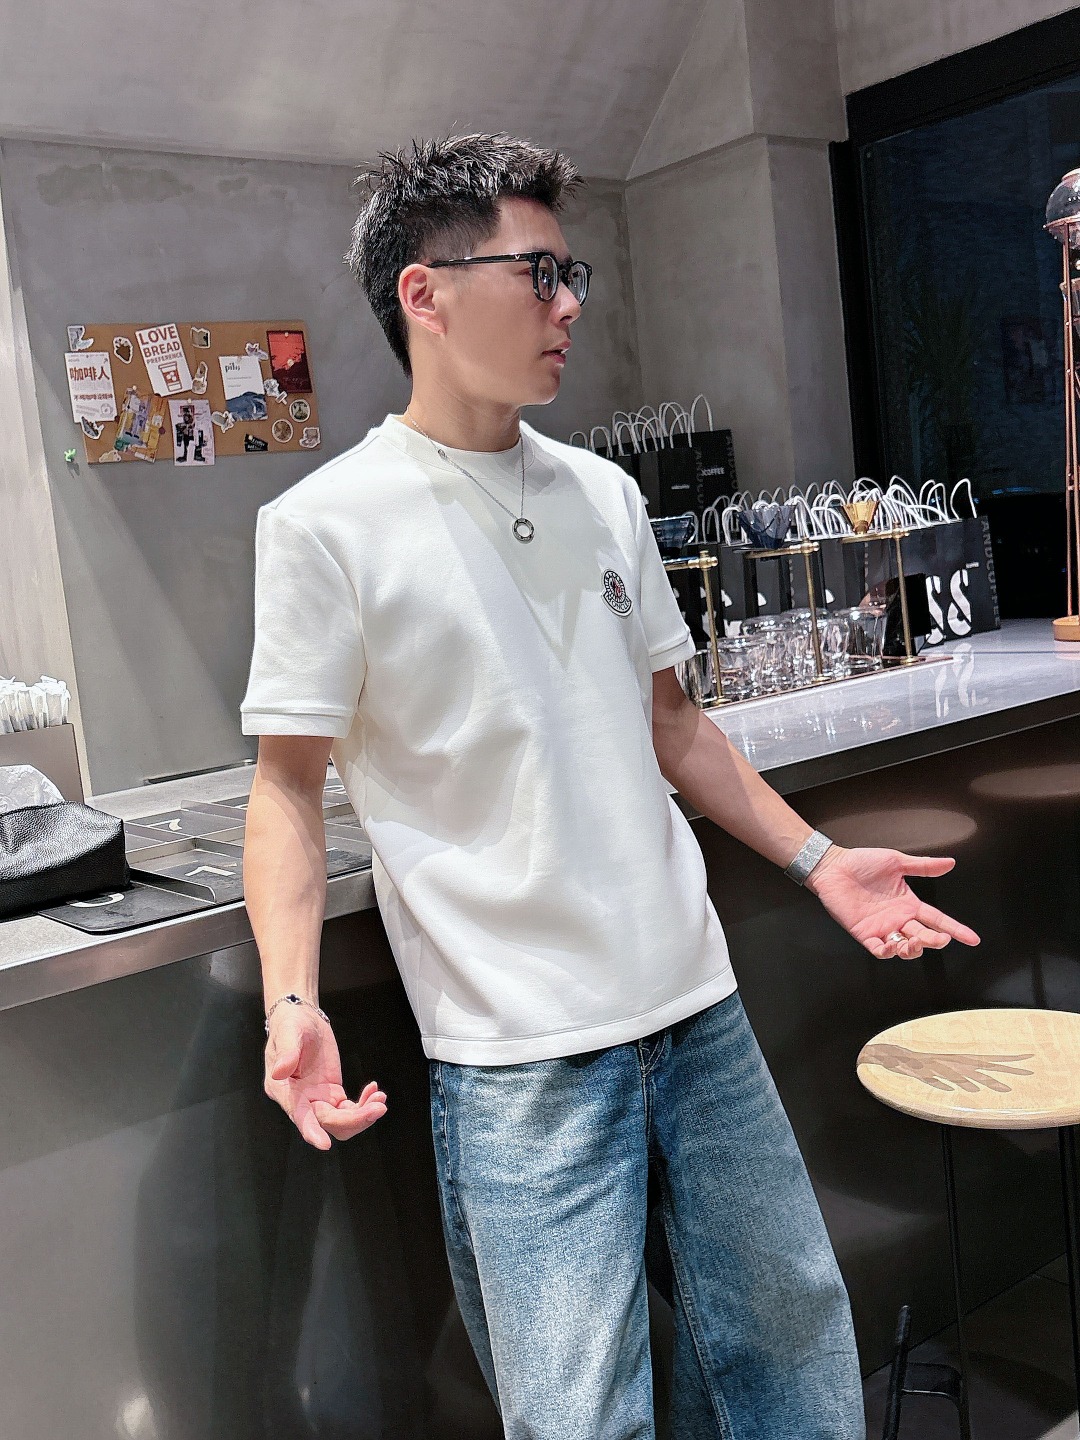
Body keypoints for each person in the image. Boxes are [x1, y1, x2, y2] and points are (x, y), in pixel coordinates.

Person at [240, 132, 980, 1439]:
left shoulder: (602, 493)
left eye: (570, 273)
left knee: (795, 1351)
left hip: (696, 1006)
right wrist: (290, 999)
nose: (569, 303)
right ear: (425, 294)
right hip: (518, 1056)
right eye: (538, 273)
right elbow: (288, 791)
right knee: (582, 1416)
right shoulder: (325, 526)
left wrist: (819, 862)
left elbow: (672, 726)